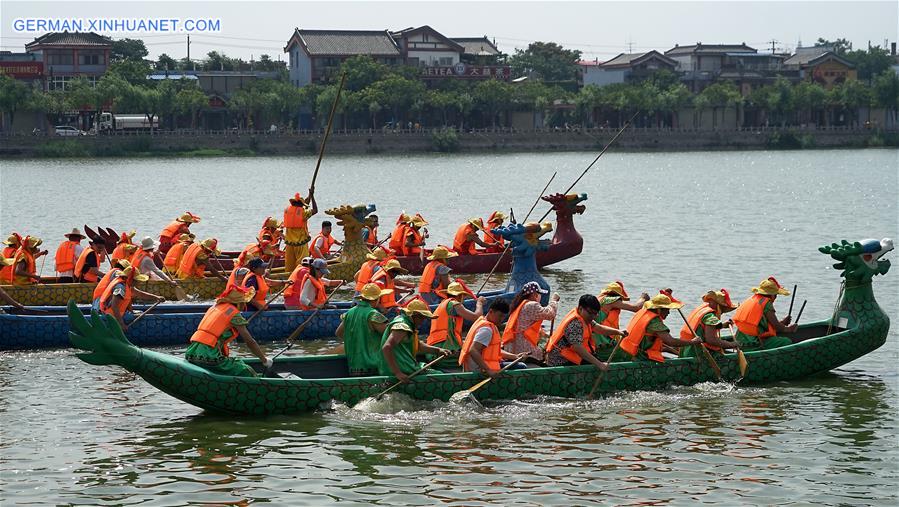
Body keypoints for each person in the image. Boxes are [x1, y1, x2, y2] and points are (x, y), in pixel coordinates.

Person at [185, 284, 273, 377]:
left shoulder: (215, 307)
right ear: (239, 303)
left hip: (191, 353)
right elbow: (250, 341)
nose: (244, 306)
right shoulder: (233, 313)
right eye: (243, 303)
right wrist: (264, 360)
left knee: (237, 363)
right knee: (246, 370)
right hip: (208, 356)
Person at [545, 295, 627, 368]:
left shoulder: (585, 317)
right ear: (580, 308)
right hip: (560, 360)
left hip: (571, 355)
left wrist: (618, 332)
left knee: (595, 360)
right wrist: (599, 364)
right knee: (595, 364)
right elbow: (578, 348)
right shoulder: (575, 323)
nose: (593, 316)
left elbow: (598, 328)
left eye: (595, 314)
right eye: (591, 313)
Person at [378, 299, 451, 381]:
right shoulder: (402, 326)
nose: (423, 321)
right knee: (440, 376)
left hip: (405, 366)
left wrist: (438, 350)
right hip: (402, 370)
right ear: (414, 315)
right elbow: (387, 347)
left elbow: (418, 345)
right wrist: (397, 373)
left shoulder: (407, 322)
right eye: (422, 317)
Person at [618, 293, 700, 362]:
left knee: (667, 354)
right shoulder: (655, 322)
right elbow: (670, 341)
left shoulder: (643, 312)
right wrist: (692, 342)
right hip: (639, 357)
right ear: (659, 309)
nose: (668, 312)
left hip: (627, 353)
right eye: (667, 309)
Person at [335, 283, 392, 376]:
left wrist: (356, 342)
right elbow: (390, 337)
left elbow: (338, 333)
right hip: (374, 366)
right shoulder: (373, 314)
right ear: (376, 300)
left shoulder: (349, 313)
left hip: (354, 367)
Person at [459, 299, 523, 375]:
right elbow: (473, 350)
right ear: (491, 311)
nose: (501, 319)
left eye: (503, 317)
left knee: (516, 363)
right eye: (500, 316)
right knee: (522, 366)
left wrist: (515, 356)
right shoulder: (486, 329)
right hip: (479, 370)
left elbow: (494, 351)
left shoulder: (486, 322)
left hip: (485, 366)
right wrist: (487, 370)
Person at [732, 277, 796, 351]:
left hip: (740, 341)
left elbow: (762, 324)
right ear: (772, 295)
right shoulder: (767, 303)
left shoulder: (753, 299)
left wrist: (783, 323)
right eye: (776, 295)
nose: (775, 298)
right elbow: (776, 326)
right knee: (786, 341)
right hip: (753, 343)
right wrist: (789, 329)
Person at [502, 281, 559, 360]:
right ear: (535, 294)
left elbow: (525, 326)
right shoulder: (531, 305)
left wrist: (545, 334)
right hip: (522, 350)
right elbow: (550, 314)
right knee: (543, 355)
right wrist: (554, 301)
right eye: (540, 294)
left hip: (511, 349)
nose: (540, 297)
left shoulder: (519, 305)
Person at [98, 263, 165, 331]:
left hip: (115, 314)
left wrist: (156, 297)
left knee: (139, 312)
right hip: (111, 316)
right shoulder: (120, 288)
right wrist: (121, 324)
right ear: (130, 279)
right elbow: (114, 306)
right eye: (135, 280)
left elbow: (140, 294)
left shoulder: (127, 285)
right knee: (139, 314)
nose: (137, 282)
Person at [593, 281, 649, 358]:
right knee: (630, 355)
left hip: (596, 338)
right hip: (603, 341)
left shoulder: (599, 299)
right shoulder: (611, 300)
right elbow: (636, 308)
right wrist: (643, 298)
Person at [680, 289, 740, 357]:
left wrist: (722, 325)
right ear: (719, 306)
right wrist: (732, 344)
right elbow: (711, 340)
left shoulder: (702, 310)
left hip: (686, 349)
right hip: (698, 353)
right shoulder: (710, 317)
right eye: (723, 309)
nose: (722, 312)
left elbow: (702, 328)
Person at [428, 282, 485, 352]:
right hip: (445, 346)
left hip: (434, 345)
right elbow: (476, 317)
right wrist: (479, 303)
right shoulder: (454, 304)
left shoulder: (443, 304)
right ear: (459, 296)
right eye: (463, 296)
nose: (463, 299)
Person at [283, 191, 318, 272]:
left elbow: (304, 204)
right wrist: (312, 197)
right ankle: (302, 277)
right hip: (301, 243)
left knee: (289, 265)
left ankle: (289, 277)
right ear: (301, 205)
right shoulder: (303, 212)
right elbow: (315, 210)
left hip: (289, 244)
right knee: (303, 264)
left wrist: (309, 195)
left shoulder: (287, 210)